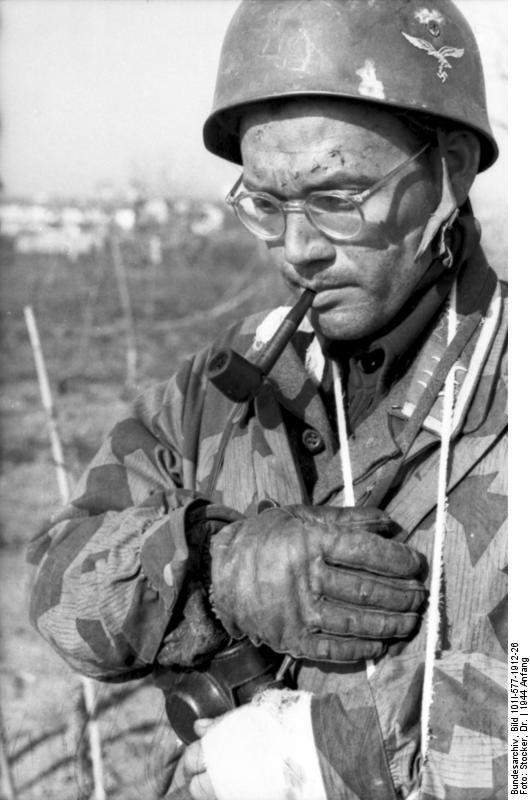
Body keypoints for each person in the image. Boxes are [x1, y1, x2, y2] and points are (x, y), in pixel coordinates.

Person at [28, 1, 507, 798]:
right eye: (267, 204)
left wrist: (332, 754)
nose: (298, 250)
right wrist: (214, 570)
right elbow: (54, 581)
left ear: (450, 169)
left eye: (338, 196)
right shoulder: (222, 387)